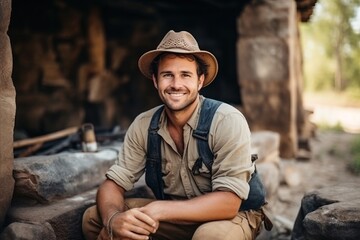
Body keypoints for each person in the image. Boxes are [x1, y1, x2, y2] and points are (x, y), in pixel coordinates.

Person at [82, 30, 267, 240]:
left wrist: (160, 210)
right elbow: (112, 184)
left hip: (234, 215)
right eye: (167, 75)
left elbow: (228, 203)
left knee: (210, 237)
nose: (176, 84)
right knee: (94, 218)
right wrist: (113, 219)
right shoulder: (144, 125)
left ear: (200, 81)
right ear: (155, 80)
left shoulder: (226, 120)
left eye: (186, 75)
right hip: (176, 215)